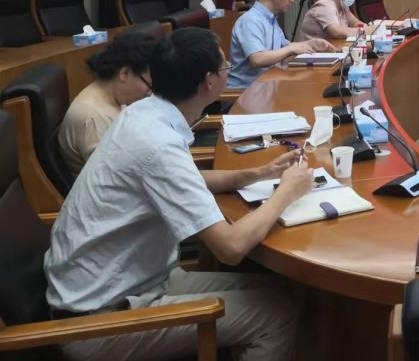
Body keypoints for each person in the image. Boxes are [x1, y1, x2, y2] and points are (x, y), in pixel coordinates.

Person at [45, 28, 314, 361]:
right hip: (99, 317)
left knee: (286, 290)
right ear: (209, 82)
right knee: (275, 316)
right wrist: (287, 191)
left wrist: (258, 173)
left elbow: (186, 179)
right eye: (225, 66)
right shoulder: (157, 144)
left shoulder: (143, 114)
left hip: (133, 280)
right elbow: (230, 248)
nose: (228, 70)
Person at [58, 31, 159, 175]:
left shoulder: (115, 97)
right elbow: (114, 176)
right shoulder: (93, 117)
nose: (149, 93)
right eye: (149, 86)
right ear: (124, 73)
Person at [227, 0, 334, 89]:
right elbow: (257, 59)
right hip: (246, 91)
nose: (292, 0)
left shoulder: (270, 18)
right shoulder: (250, 20)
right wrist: (291, 49)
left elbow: (283, 47)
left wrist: (311, 44)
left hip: (267, 85)